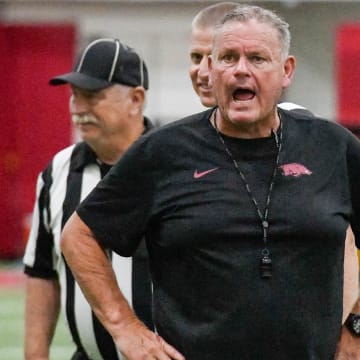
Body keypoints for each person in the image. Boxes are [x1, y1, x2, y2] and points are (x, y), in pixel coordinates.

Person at [60, 5, 360, 359]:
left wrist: (355, 328)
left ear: (286, 71)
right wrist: (125, 328)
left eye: (258, 59)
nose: (240, 70)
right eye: (228, 58)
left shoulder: (332, 147)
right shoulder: (164, 152)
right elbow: (78, 236)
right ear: (210, 70)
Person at [189, 1, 359, 323]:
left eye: (251, 57)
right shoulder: (181, 144)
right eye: (196, 58)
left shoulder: (299, 133)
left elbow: (342, 240)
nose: (202, 71)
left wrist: (352, 323)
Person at [23, 38, 154, 360]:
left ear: (136, 99)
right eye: (74, 96)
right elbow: (42, 273)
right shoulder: (59, 171)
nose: (78, 109)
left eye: (93, 96)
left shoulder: (177, 166)